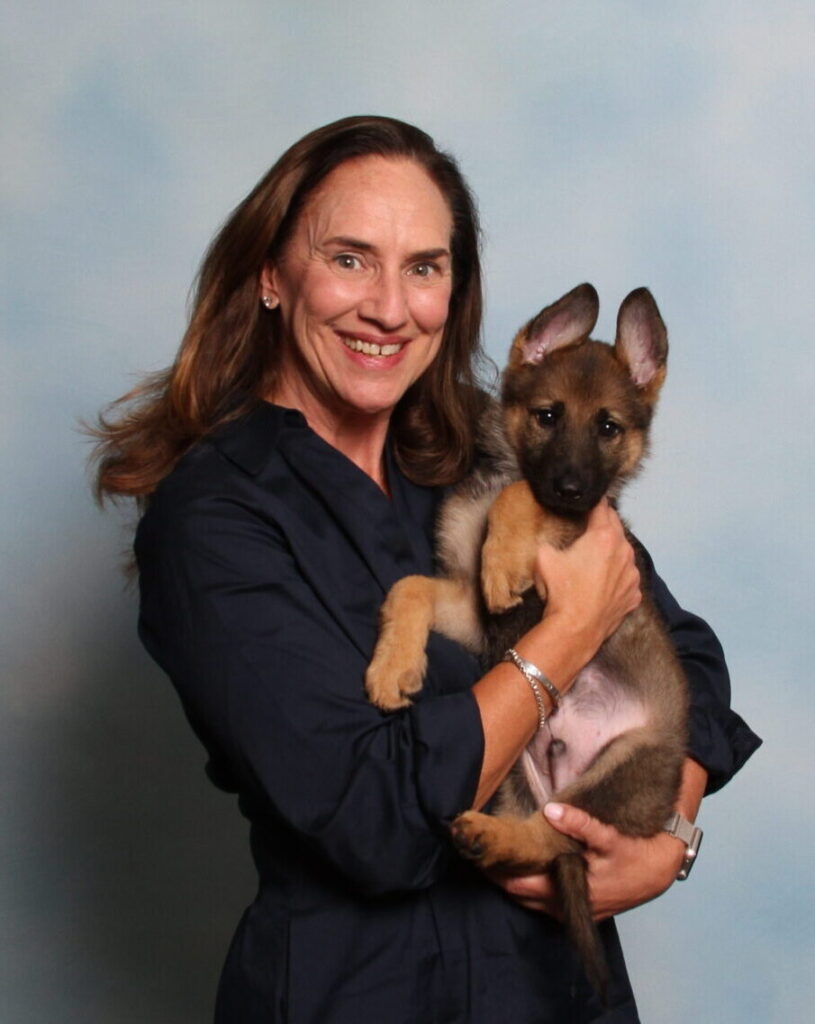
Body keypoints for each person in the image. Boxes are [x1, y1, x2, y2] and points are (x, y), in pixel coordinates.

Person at [93, 115, 760, 1023]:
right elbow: (374, 821)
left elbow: (681, 655)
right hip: (356, 995)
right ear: (270, 277)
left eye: (424, 268)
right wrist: (561, 640)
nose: (389, 308)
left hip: (556, 994)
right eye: (349, 259)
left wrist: (666, 838)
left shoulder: (500, 442)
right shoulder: (213, 520)